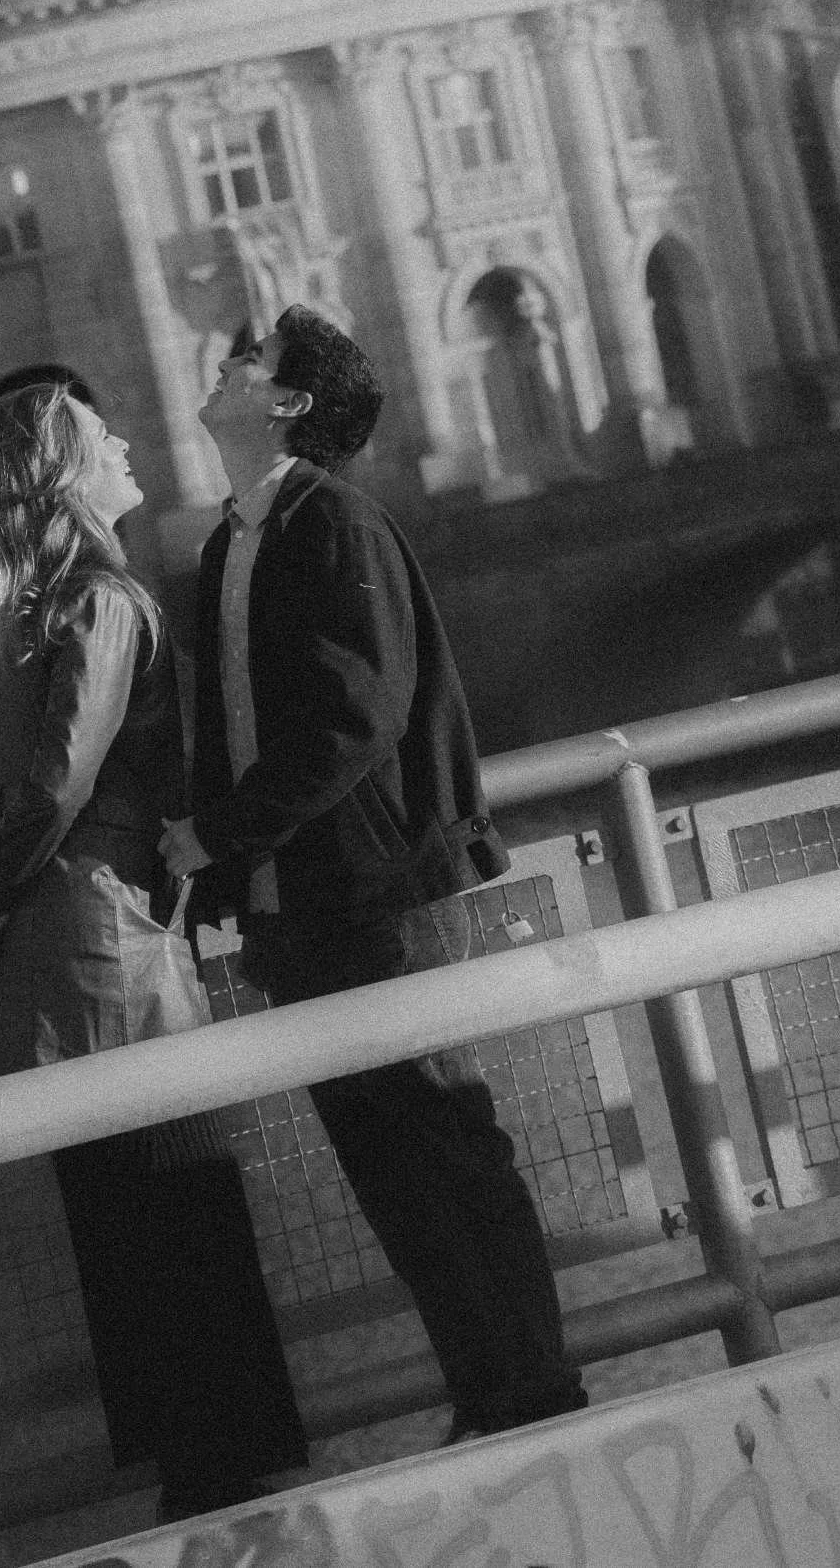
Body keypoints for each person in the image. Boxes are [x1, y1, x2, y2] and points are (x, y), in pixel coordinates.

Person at [159, 304, 587, 1444]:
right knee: (386, 1159)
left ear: (287, 405)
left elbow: (358, 714)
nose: (226, 361)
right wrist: (233, 866)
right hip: (302, 901)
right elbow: (248, 722)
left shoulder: (334, 522)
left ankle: (534, 1390)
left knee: (442, 1133)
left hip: (380, 889)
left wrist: (224, 834)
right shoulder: (232, 541)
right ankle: (487, 1390)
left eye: (248, 359)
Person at [0, 381, 307, 1518]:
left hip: (39, 961)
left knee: (117, 1222)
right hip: (112, 944)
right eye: (102, 440)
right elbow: (59, 785)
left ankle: (189, 1475)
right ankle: (235, 1479)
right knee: (191, 1204)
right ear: (68, 475)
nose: (126, 441)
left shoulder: (2, 622)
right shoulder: (104, 602)